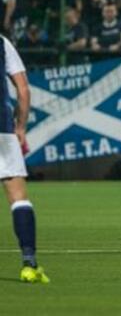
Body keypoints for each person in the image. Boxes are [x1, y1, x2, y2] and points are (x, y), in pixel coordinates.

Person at [0, 34, 50, 282]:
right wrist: (21, 126)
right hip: (2, 129)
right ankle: (29, 262)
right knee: (18, 197)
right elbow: (23, 88)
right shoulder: (2, 42)